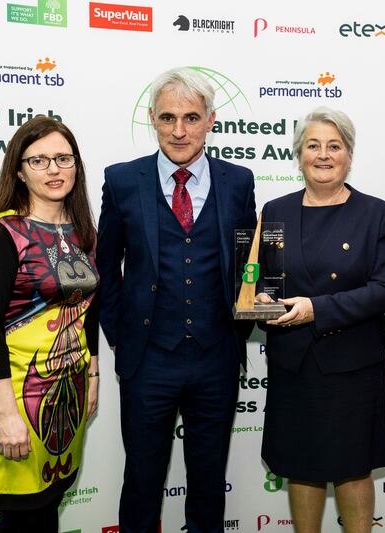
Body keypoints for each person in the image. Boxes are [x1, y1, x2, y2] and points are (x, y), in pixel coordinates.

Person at [97, 67, 257, 533]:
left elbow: (251, 262)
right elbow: (105, 268)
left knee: (209, 482)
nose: (179, 130)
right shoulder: (123, 180)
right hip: (147, 361)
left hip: (216, 358)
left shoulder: (238, 181)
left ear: (211, 119)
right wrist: (120, 337)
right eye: (167, 117)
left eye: (191, 117)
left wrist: (236, 330)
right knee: (142, 481)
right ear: (152, 119)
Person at [258, 107, 385, 533]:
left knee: (354, 468)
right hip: (294, 364)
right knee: (302, 466)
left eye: (334, 146)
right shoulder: (275, 210)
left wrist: (318, 309)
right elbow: (264, 282)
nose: (323, 155)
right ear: (299, 155)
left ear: (349, 155)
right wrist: (262, 298)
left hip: (352, 364)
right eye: (313, 146)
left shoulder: (379, 215)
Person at [0, 116, 99, 533]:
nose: (54, 169)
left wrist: (93, 374)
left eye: (63, 158)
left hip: (69, 391)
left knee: (49, 503)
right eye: (39, 160)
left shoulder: (81, 231)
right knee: (23, 514)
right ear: (20, 170)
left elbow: (89, 310)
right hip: (20, 395)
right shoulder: (2, 233)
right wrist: (6, 414)